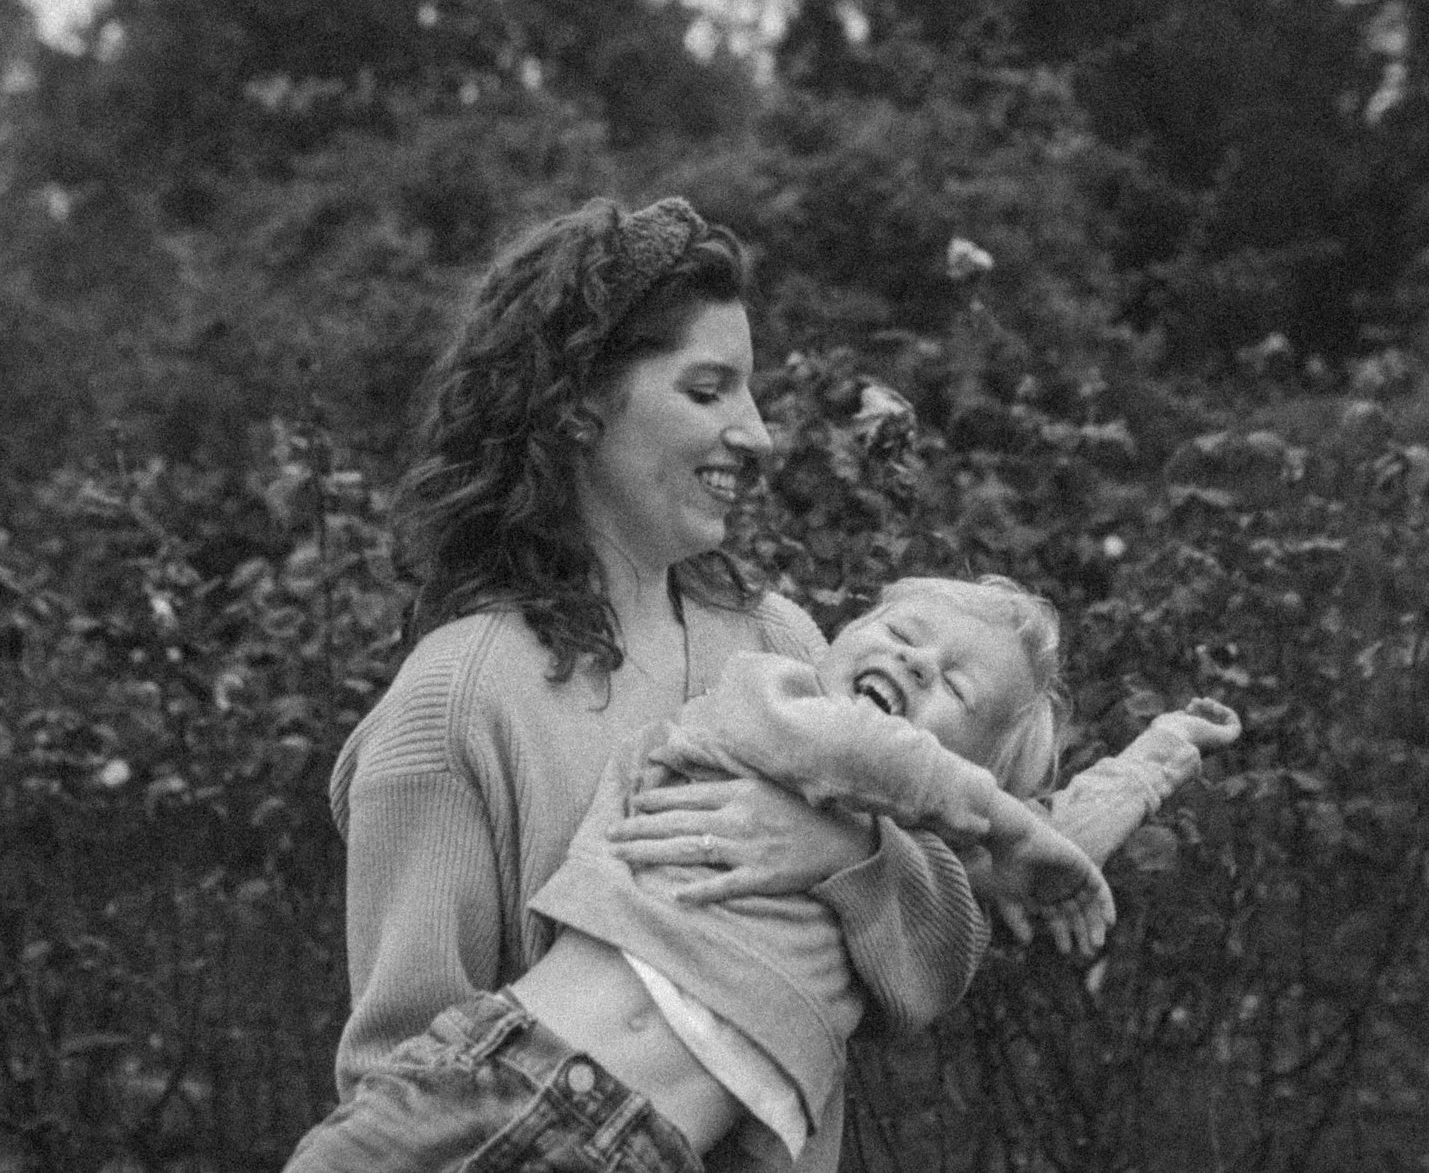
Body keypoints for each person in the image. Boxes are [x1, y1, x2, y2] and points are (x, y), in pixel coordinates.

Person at [311, 197, 989, 1173]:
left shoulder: (781, 639)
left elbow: (924, 971)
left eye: (750, 392)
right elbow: (415, 1104)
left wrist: (840, 850)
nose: (755, 434)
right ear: (578, 402)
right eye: (708, 390)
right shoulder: (453, 705)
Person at [284, 573, 1241, 1172]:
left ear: (978, 770)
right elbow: (893, 767)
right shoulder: (762, 701)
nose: (913, 663)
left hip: (644, 1148)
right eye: (899, 633)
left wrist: (1155, 761)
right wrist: (1000, 823)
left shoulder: (912, 884)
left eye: (955, 684)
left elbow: (1025, 870)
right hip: (498, 1072)